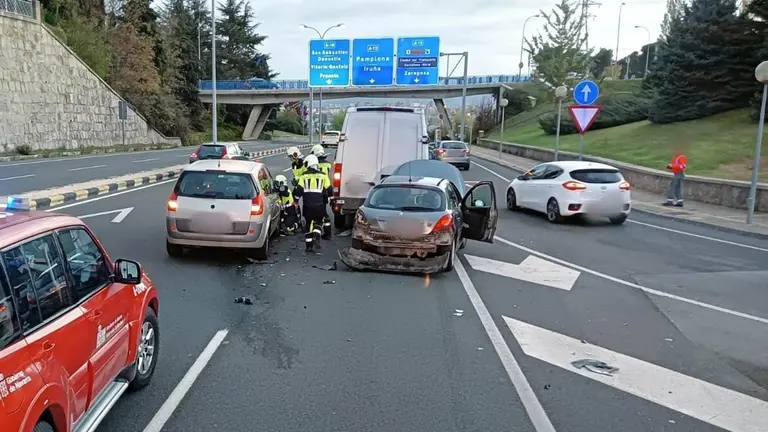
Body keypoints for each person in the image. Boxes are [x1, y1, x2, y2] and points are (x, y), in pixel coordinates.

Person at [293, 155, 333, 251]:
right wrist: (331, 198)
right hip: (319, 204)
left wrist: (296, 201)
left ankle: (309, 247)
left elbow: (298, 190)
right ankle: (317, 234)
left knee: (308, 224)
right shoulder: (323, 175)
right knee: (319, 221)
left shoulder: (304, 176)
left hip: (307, 205)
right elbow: (329, 188)